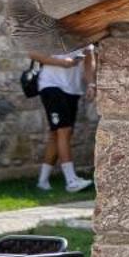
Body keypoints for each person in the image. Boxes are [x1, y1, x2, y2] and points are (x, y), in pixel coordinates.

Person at [28, 45, 95, 194]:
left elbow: (89, 62)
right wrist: (63, 63)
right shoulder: (52, 29)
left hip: (73, 89)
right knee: (64, 130)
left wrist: (91, 84)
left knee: (57, 134)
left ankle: (42, 182)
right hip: (51, 85)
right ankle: (71, 181)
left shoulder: (84, 35)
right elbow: (33, 52)